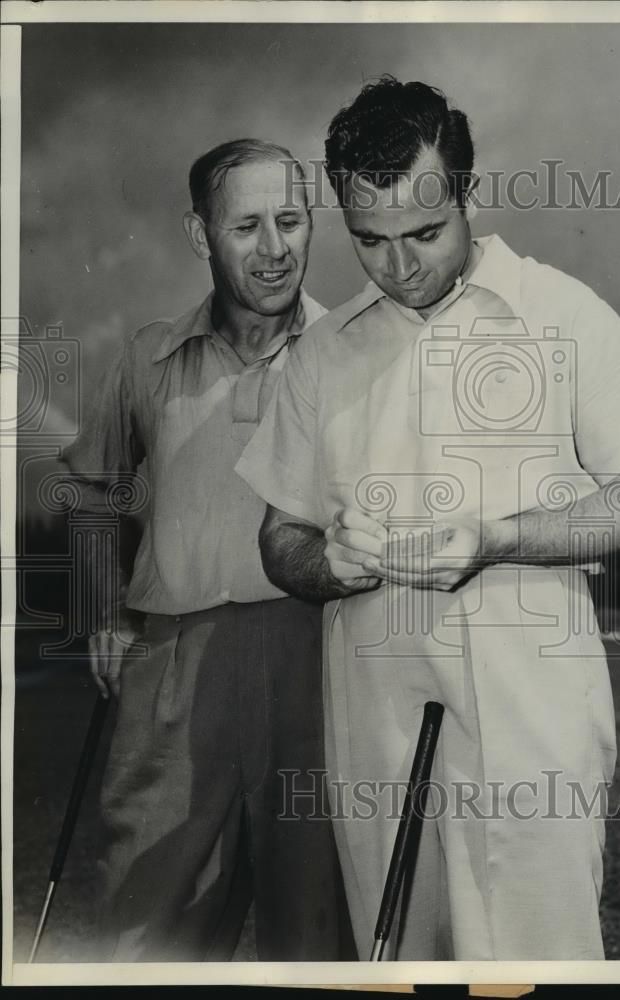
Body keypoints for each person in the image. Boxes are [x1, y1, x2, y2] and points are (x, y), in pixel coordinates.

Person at [236, 80, 620, 961]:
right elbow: (278, 538)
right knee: (398, 962)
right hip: (373, 721)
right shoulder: (322, 356)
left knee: (534, 962)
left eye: (423, 234)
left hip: (532, 713)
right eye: (369, 241)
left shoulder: (559, 309)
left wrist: (496, 538)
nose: (398, 266)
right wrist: (326, 562)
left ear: (468, 197)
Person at [62, 139, 352, 962]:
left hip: (319, 668)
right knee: (147, 936)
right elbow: (89, 490)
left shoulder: (353, 353)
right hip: (175, 672)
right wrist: (102, 615)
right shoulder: (147, 357)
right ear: (201, 236)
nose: (275, 249)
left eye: (292, 221)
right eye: (247, 226)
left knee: (318, 938)